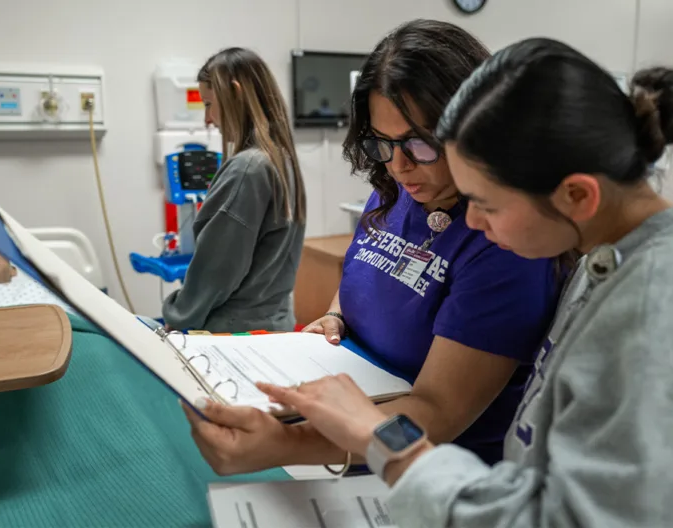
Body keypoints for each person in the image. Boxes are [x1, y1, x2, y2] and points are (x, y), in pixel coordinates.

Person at [253, 38, 673, 527]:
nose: (472, 224)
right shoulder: (610, 259)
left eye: (485, 204)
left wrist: (384, 441)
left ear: (577, 195)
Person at [182, 20, 562, 474]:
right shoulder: (395, 191)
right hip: (345, 442)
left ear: (475, 127)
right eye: (381, 143)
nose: (400, 166)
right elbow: (363, 272)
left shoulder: (503, 241)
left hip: (431, 477)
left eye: (419, 144)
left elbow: (436, 413)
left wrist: (291, 444)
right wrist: (336, 314)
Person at [162, 48, 306, 333]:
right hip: (275, 325)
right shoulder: (281, 158)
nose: (207, 119)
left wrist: (177, 317)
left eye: (208, 104)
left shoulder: (247, 169)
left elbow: (215, 271)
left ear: (236, 94)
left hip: (235, 331)